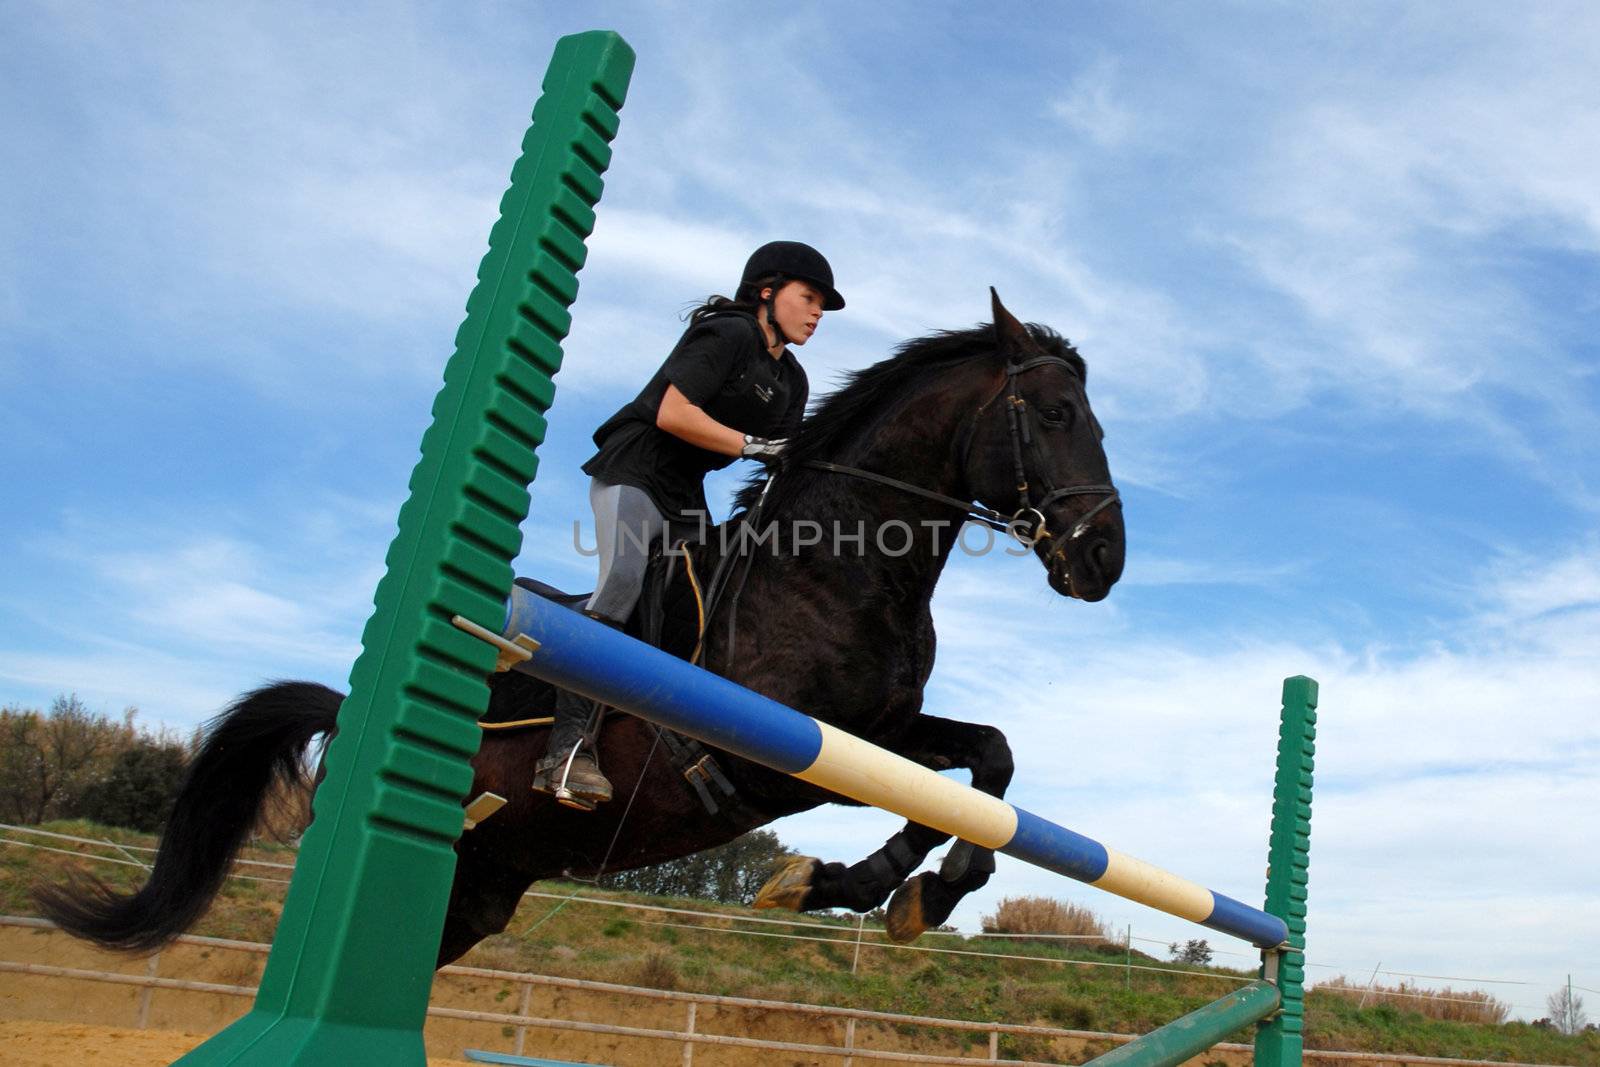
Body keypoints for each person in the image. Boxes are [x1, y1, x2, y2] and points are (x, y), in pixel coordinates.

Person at [535, 240, 845, 808]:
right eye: (809, 298)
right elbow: (672, 413)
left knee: (704, 597)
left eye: (821, 305)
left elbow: (786, 463)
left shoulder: (792, 381)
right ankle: (567, 749)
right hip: (635, 469)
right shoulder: (728, 334)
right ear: (768, 291)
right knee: (625, 580)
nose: (817, 313)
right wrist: (754, 446)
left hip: (684, 493)